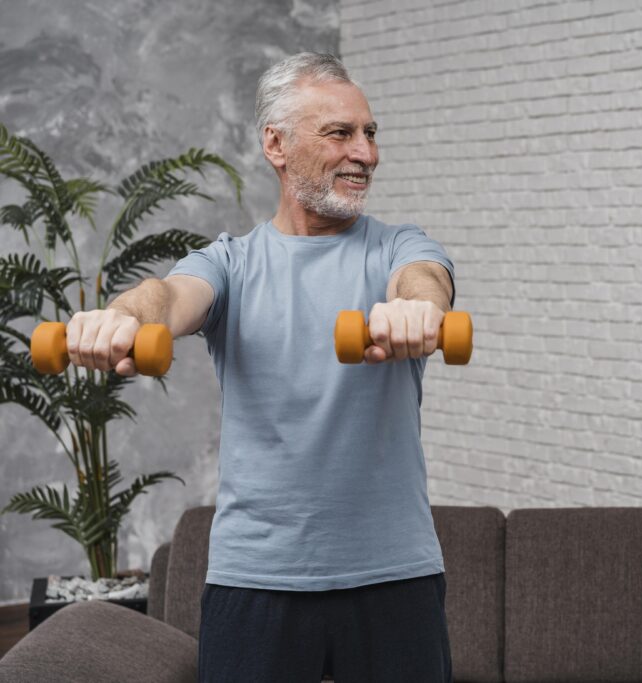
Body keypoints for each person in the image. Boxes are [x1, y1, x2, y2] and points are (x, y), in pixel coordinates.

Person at [65, 53, 454, 682]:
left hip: (394, 573)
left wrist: (415, 310)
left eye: (370, 133)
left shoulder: (397, 248)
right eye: (340, 133)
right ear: (276, 143)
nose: (367, 153)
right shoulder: (231, 263)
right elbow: (167, 298)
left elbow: (425, 283)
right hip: (258, 577)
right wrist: (122, 319)